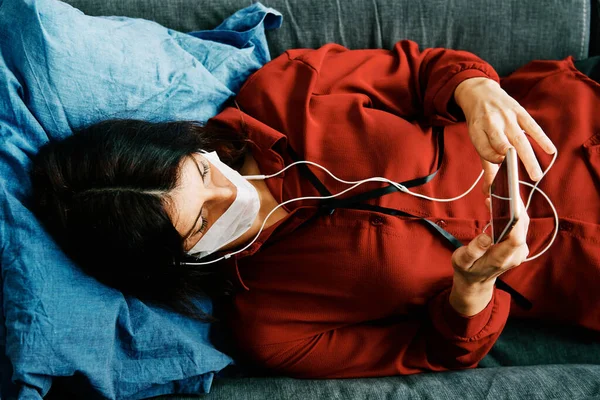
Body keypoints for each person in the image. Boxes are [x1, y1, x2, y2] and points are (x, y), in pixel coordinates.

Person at [29, 40, 600, 378]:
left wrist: (476, 93)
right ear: (176, 262)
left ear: (192, 148)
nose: (230, 196)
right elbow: (434, 350)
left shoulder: (282, 92)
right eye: (201, 220)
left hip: (579, 126)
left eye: (202, 174)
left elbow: (424, 69)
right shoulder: (270, 327)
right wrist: (473, 288)